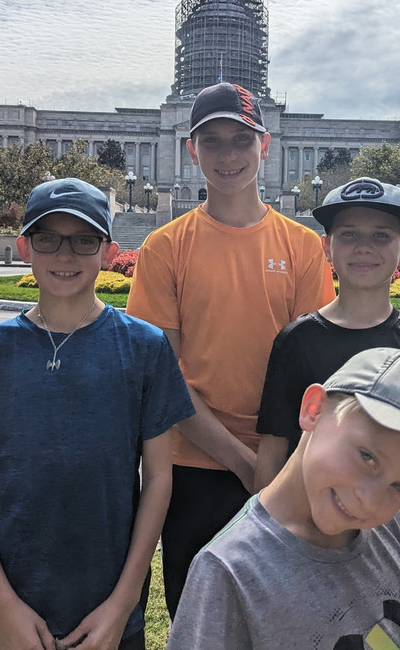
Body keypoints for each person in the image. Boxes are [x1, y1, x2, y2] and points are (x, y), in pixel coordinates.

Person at [0, 177, 194, 650]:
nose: (65, 255)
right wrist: (2, 606)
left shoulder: (144, 347)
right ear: (23, 247)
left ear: (109, 252)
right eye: (48, 238)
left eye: (84, 240)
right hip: (17, 604)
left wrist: (123, 604)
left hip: (111, 605)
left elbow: (158, 478)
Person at [126, 81, 335, 617]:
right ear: (191, 150)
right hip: (192, 468)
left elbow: (314, 372)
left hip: (287, 467)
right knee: (199, 624)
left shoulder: (303, 246)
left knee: (283, 627)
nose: (227, 155)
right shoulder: (165, 247)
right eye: (212, 142)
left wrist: (271, 464)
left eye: (241, 140)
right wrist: (244, 463)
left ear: (265, 146)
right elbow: (161, 377)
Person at [253, 176, 400, 650]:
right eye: (349, 234)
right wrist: (270, 550)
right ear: (326, 246)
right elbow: (271, 459)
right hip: (311, 549)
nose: (364, 247)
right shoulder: (298, 342)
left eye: (381, 235)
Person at [163, 347, 400, 650]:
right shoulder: (228, 571)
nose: (369, 499)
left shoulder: (398, 527)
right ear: (313, 410)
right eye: (367, 456)